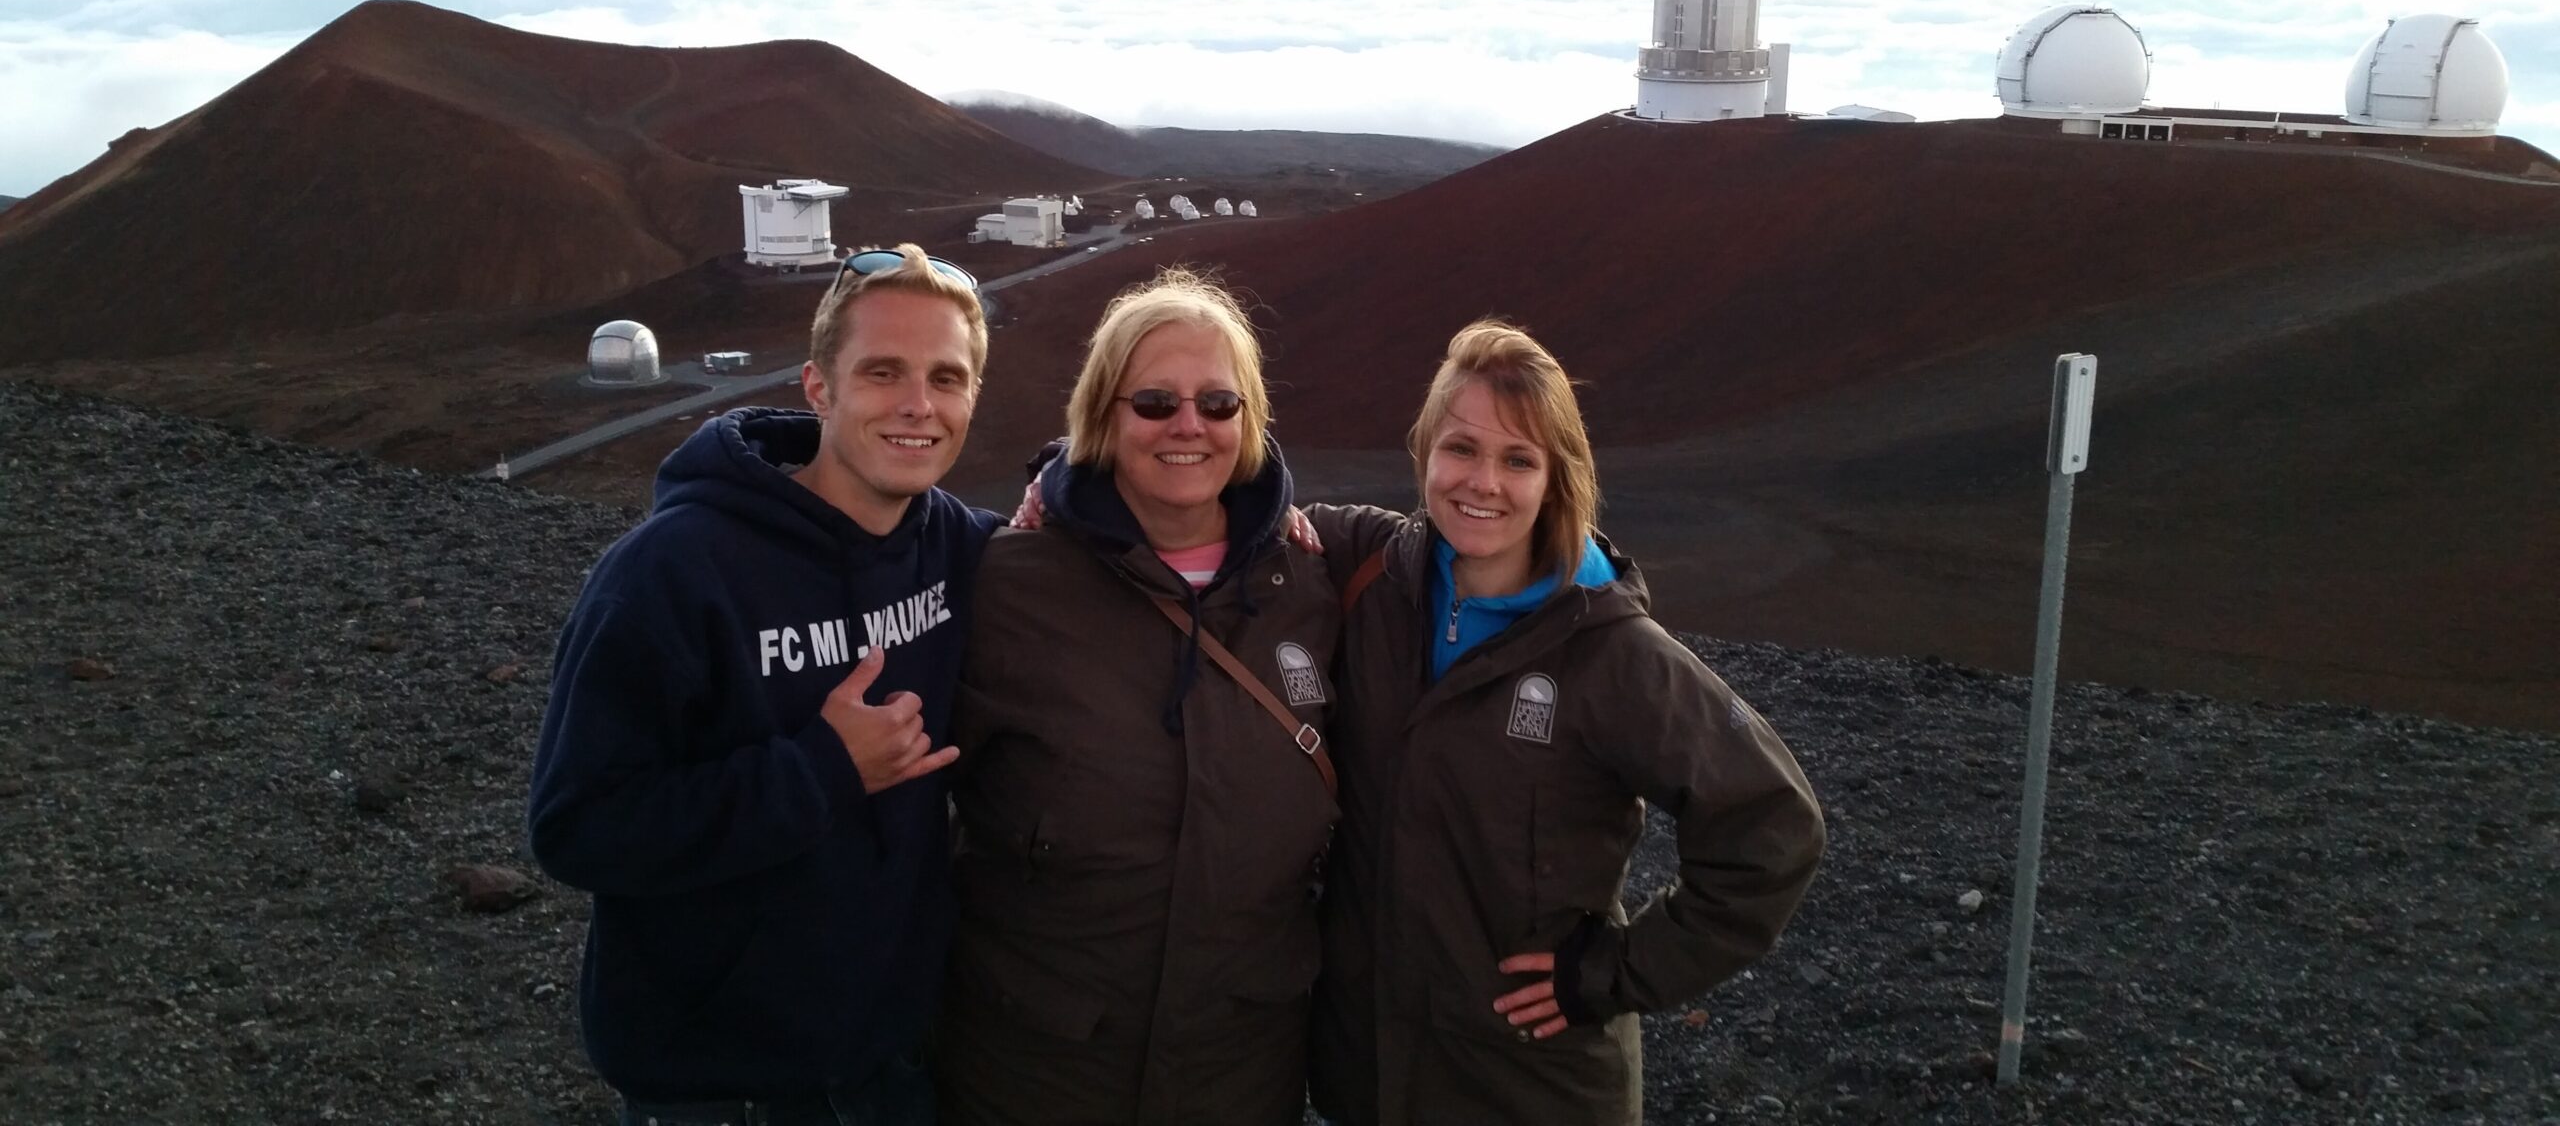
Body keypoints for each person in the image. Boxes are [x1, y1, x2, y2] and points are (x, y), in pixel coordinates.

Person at [1306, 320, 1827, 1126]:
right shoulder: (1372, 573)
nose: (1483, 482)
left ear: (1557, 478)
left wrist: (1612, 973)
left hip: (1527, 1086)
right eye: (1460, 448)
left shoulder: (1612, 650)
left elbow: (1774, 826)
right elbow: (1222, 505)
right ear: (1424, 453)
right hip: (1367, 1077)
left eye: (1519, 459)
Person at [528, 243, 994, 1126]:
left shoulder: (956, 547)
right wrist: (823, 770)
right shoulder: (673, 571)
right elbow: (577, 827)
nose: (918, 405)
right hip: (721, 1086)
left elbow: (1079, 536)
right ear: (818, 387)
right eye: (883, 372)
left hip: (892, 1066)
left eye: (947, 378)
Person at [939, 266, 1342, 1126]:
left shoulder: (1311, 580)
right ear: (1103, 414)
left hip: (1239, 1077)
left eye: (1219, 403)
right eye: (1154, 402)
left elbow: (1477, 535)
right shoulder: (1007, 583)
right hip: (1036, 1074)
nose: (1189, 425)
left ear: (1249, 420)